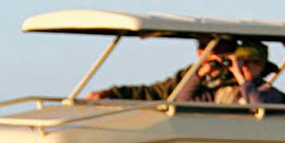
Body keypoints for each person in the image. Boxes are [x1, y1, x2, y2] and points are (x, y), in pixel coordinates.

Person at [85, 37, 238, 102]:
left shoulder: (237, 76)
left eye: (207, 46)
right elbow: (155, 92)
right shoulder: (188, 74)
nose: (201, 51)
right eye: (200, 46)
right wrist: (111, 94)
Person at [176, 41, 285, 105]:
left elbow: (257, 105)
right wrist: (201, 73)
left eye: (247, 62)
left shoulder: (268, 92)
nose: (243, 67)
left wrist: (241, 79)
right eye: (240, 63)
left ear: (261, 66)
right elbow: (182, 101)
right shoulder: (225, 91)